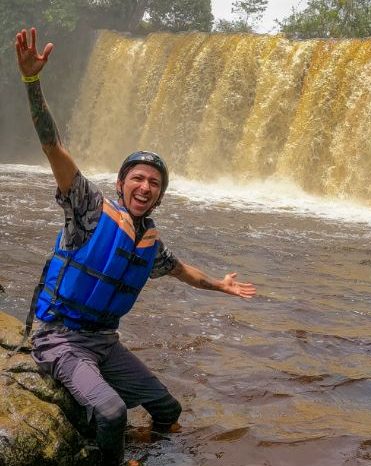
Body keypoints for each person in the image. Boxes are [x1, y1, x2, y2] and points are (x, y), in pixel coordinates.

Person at [15, 27, 257, 466]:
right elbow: (52, 146)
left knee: (168, 410)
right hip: (60, 341)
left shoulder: (151, 245)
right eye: (138, 178)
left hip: (103, 342)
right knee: (110, 411)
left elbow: (184, 272)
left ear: (160, 196)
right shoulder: (88, 207)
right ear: (122, 183)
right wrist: (32, 82)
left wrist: (221, 286)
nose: (145, 187)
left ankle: (146, 451)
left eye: (154, 184)